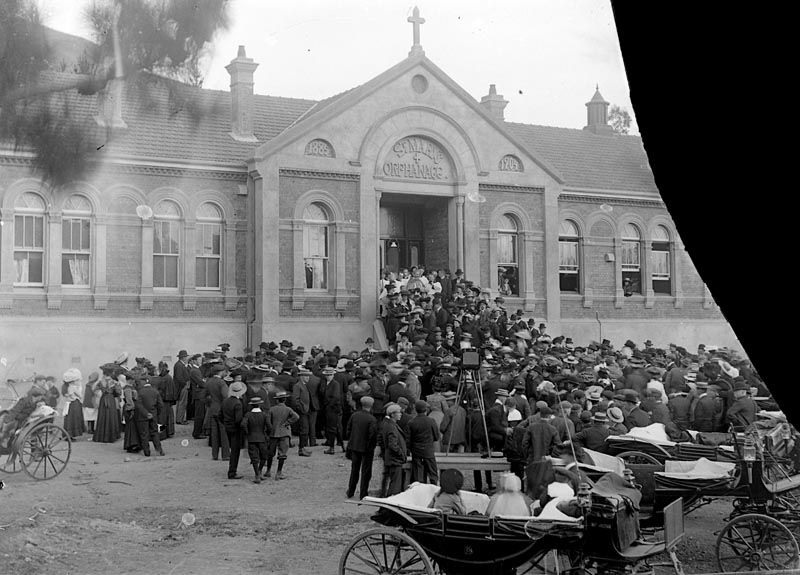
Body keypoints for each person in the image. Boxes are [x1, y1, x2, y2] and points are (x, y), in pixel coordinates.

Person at [345, 396, 378, 499]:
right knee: (366, 472)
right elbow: (372, 436)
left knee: (354, 470)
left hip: (355, 446)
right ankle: (363, 493)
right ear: (371, 406)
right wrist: (371, 448)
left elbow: (348, 431)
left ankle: (350, 491)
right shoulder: (372, 419)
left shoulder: (354, 415)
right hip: (366, 449)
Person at [264, 390, 299, 480]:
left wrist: (271, 429)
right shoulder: (288, 409)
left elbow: (267, 421)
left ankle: (268, 471)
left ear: (277, 400)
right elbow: (296, 417)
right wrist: (287, 423)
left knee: (270, 453)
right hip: (284, 433)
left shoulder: (272, 409)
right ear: (285, 400)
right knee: (282, 454)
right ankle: (279, 473)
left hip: (273, 434)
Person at [408, 400, 440, 485]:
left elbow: (408, 439)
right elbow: (437, 437)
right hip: (428, 450)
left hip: (416, 451)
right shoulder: (431, 421)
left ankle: (418, 492)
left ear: (415, 409)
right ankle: (433, 491)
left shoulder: (411, 422)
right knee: (433, 475)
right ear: (426, 409)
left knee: (417, 476)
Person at [241, 397, 271, 483]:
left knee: (254, 458)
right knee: (264, 456)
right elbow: (269, 426)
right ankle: (260, 471)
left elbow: (243, 424)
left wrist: (247, 432)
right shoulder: (264, 415)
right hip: (262, 437)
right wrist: (267, 434)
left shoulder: (248, 415)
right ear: (260, 404)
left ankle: (257, 474)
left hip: (251, 438)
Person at [134, 376, 165, 457]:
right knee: (155, 433)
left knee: (144, 434)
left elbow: (138, 405)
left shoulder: (140, 392)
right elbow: (160, 405)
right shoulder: (155, 391)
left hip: (142, 416)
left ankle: (147, 452)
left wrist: (146, 413)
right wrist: (156, 414)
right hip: (153, 415)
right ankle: (159, 450)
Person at [381, 403, 408, 497]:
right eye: (398, 412)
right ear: (392, 414)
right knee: (394, 487)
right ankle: (388, 508)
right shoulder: (392, 427)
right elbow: (393, 445)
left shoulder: (389, 424)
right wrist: (401, 454)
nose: (400, 414)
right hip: (395, 460)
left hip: (392, 459)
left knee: (393, 484)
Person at [205, 364, 230, 461]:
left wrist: (210, 405)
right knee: (224, 433)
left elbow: (205, 396)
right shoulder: (221, 383)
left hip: (212, 409)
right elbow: (225, 397)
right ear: (220, 372)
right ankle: (225, 455)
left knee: (214, 433)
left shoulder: (209, 381)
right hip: (221, 409)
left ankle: (214, 454)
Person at [222, 381, 246, 479]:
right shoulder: (238, 403)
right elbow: (238, 419)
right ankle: (232, 472)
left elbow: (219, 415)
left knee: (232, 448)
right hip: (236, 430)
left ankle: (232, 471)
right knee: (235, 452)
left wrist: (225, 423)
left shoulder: (225, 401)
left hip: (228, 428)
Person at [93, 368, 121, 443]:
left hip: (103, 399)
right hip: (111, 399)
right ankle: (111, 436)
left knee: (102, 416)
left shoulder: (101, 382)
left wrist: (101, 392)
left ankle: (101, 436)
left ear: (104, 373)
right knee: (111, 416)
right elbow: (118, 392)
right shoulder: (114, 382)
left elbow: (94, 389)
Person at [153, 361, 177, 439]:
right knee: (168, 417)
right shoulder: (168, 377)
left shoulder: (164, 378)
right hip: (168, 400)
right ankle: (169, 432)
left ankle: (163, 434)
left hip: (164, 400)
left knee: (162, 418)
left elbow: (162, 390)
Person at [292, 368, 313, 457]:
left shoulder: (304, 385)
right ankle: (301, 449)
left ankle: (303, 448)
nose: (308, 378)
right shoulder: (298, 386)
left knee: (306, 430)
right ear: (301, 377)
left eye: (308, 376)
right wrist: (301, 409)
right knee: (304, 430)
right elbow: (295, 400)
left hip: (306, 410)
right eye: (306, 376)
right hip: (302, 412)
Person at [61, 368, 86, 440]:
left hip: (68, 404)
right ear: (72, 381)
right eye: (77, 380)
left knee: (68, 419)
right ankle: (71, 434)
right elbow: (80, 396)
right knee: (73, 419)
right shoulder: (73, 388)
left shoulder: (66, 387)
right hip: (74, 404)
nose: (78, 381)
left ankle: (66, 434)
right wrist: (79, 389)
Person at [189, 355, 207, 439]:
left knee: (200, 414)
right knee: (199, 415)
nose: (200, 361)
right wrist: (204, 382)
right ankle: (197, 433)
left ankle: (199, 432)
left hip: (199, 394)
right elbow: (201, 383)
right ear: (195, 361)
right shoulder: (194, 371)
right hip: (199, 394)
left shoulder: (196, 370)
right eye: (199, 360)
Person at [174, 350, 191, 425]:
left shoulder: (179, 365)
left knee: (181, 403)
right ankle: (180, 419)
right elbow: (179, 378)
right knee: (182, 403)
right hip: (182, 387)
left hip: (181, 386)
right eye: (186, 357)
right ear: (183, 357)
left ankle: (179, 418)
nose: (187, 358)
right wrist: (185, 384)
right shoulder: (179, 365)